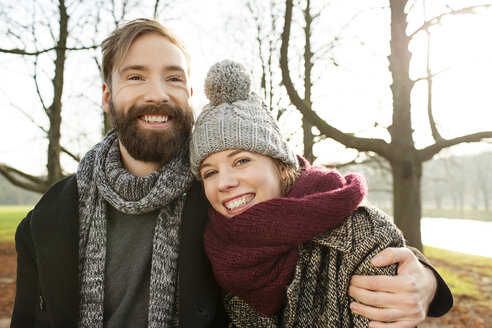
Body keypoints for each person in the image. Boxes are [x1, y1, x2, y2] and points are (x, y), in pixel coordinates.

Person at [11, 19, 451, 328]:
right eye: (135, 77)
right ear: (108, 95)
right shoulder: (48, 218)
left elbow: (309, 194)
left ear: (188, 94)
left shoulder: (223, 190)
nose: (158, 94)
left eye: (174, 78)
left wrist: (427, 282)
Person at [189, 60, 452, 327]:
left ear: (281, 165)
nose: (224, 183)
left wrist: (428, 281)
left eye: (241, 161)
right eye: (210, 172)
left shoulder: (361, 236)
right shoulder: (206, 243)